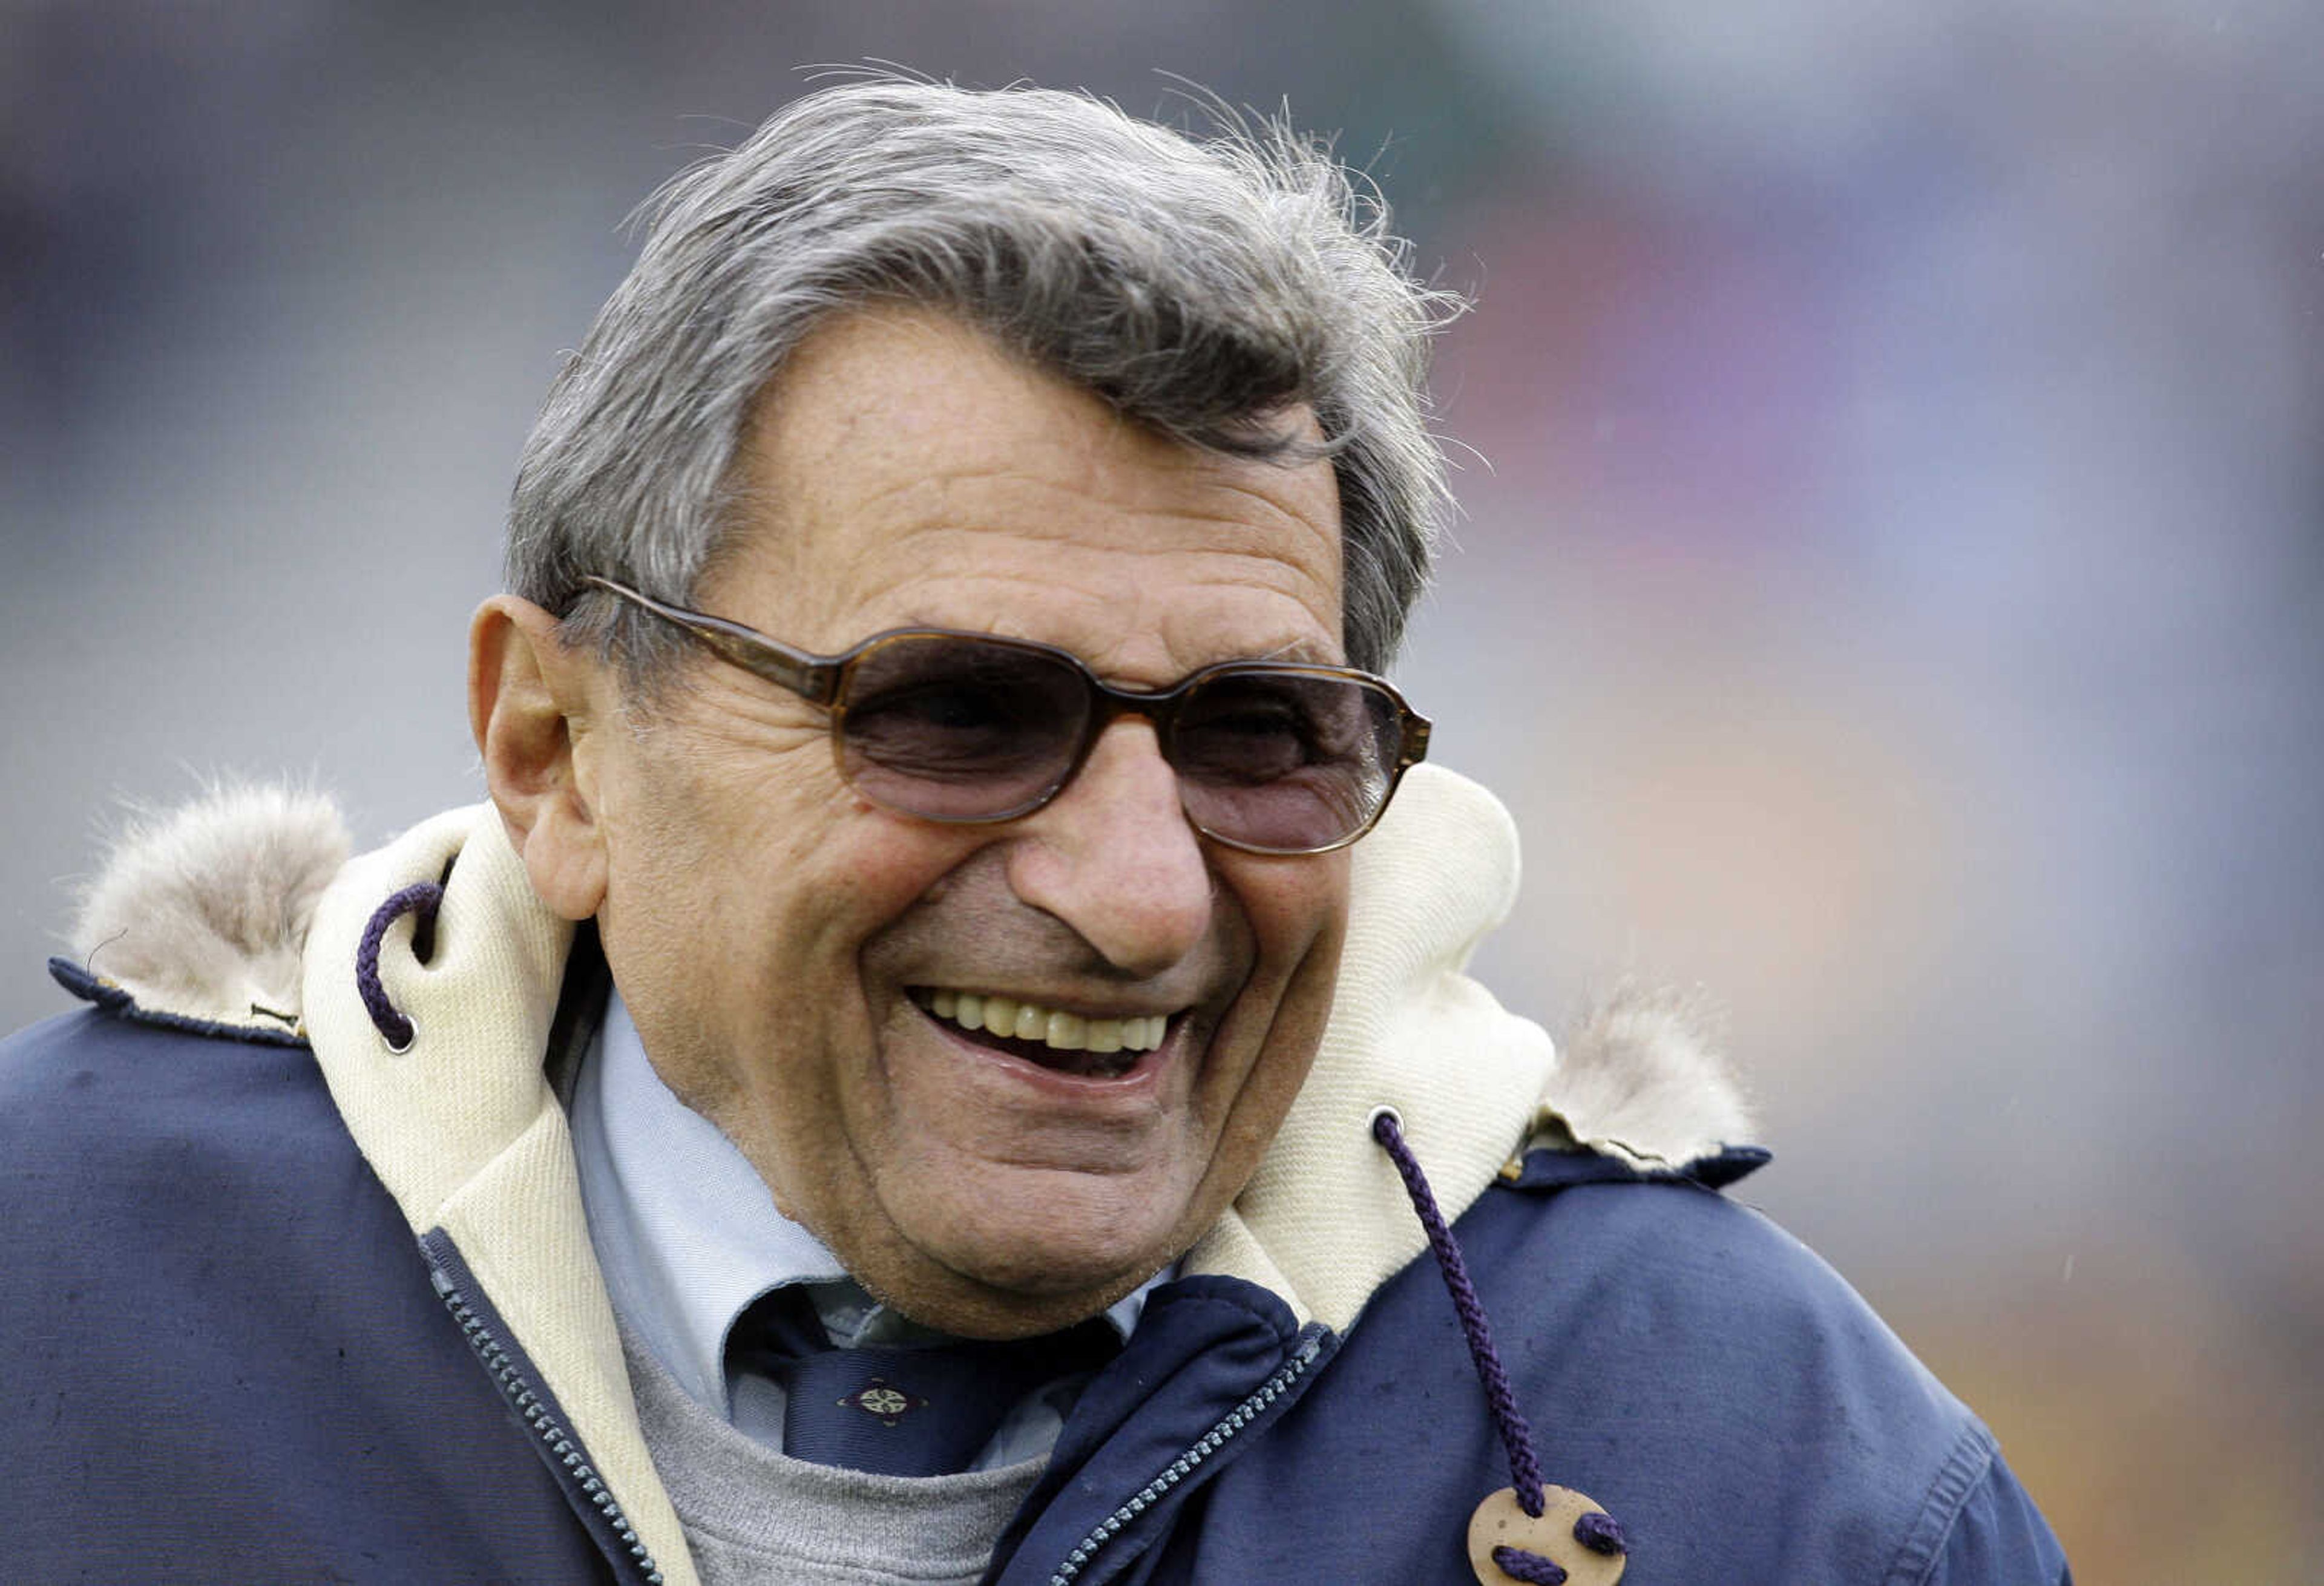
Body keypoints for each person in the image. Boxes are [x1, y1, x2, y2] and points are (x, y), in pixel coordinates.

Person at [0, 79, 2070, 1584]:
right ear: (557, 754)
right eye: (959, 713)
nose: (1140, 891)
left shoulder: (1790, 1483)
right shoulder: (58, 1281)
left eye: (1261, 734)